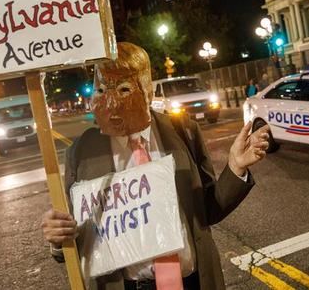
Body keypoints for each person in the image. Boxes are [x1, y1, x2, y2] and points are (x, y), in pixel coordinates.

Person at [41, 42, 270, 290]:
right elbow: (77, 236)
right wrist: (58, 238)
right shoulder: (82, 151)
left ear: (148, 91)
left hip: (192, 282)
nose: (110, 102)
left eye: (124, 89)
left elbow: (206, 211)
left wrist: (235, 167)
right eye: (101, 90)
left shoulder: (184, 131)